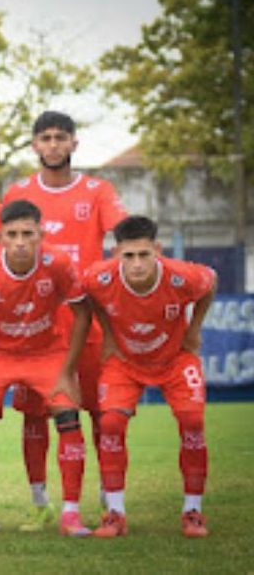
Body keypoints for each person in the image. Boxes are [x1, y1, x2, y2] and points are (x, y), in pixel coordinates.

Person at [3, 110, 127, 530]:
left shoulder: (97, 190)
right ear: (34, 145)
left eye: (60, 137)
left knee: (99, 411)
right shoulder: (19, 192)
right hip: (35, 325)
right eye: (46, 138)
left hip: (87, 323)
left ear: (74, 143)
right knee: (34, 416)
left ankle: (108, 497)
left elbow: (125, 238)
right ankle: (41, 502)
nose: (53, 145)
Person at [0, 200, 91, 538]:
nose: (19, 242)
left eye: (27, 234)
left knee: (68, 416)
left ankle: (71, 514)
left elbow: (83, 313)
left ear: (40, 234)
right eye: (12, 234)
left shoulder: (58, 263)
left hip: (46, 351)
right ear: (0, 236)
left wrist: (67, 371)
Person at [84, 216, 216, 538]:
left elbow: (210, 282)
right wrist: (108, 334)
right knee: (110, 423)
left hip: (175, 358)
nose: (137, 264)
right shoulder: (98, 278)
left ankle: (193, 512)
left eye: (144, 254)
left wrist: (194, 330)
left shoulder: (182, 276)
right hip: (125, 361)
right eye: (129, 256)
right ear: (116, 254)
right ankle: (115, 514)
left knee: (193, 422)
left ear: (158, 250)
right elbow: (89, 296)